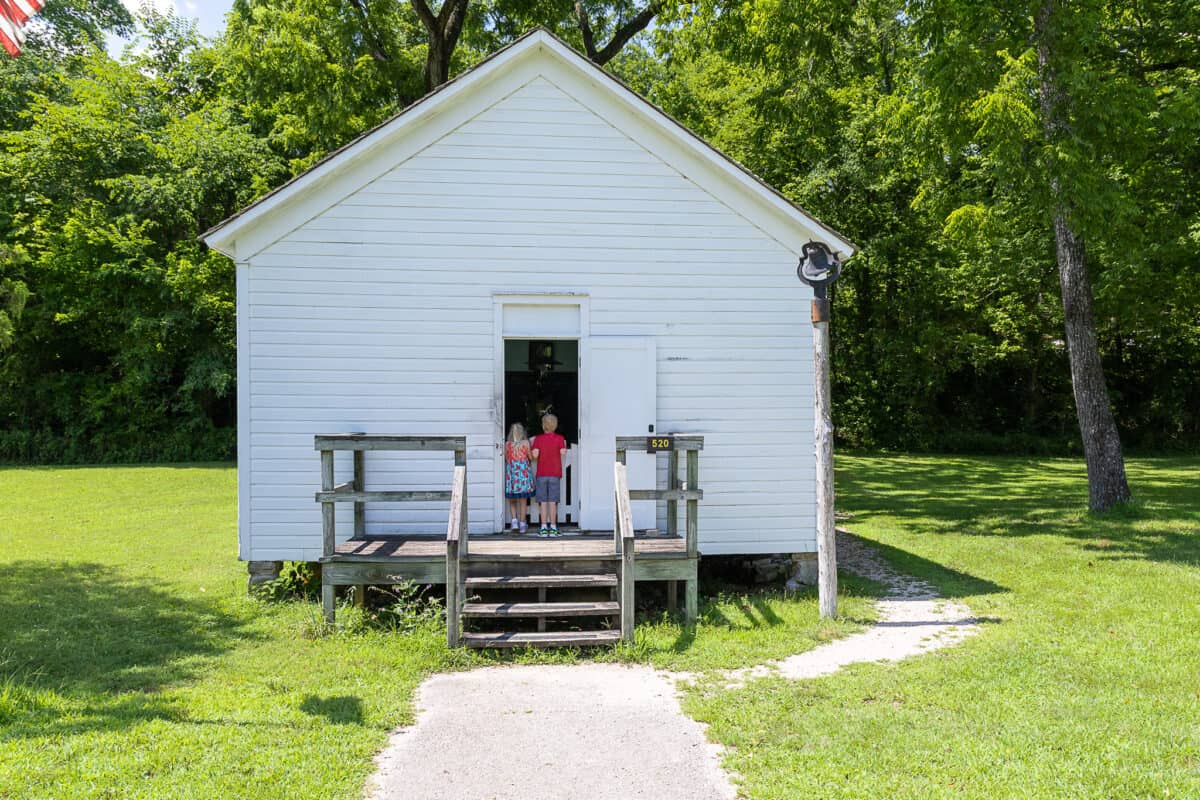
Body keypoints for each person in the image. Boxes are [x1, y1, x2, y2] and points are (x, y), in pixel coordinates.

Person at [530, 413, 568, 537]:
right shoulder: (560, 438)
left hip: (542, 474)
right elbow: (563, 452)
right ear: (555, 425)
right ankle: (553, 527)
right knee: (553, 501)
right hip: (555, 474)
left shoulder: (538, 439)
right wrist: (564, 445)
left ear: (543, 425)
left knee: (543, 502)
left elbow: (535, 455)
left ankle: (543, 527)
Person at [504, 423, 534, 533]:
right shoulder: (526, 443)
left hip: (512, 475)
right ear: (522, 433)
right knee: (523, 501)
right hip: (523, 475)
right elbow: (530, 457)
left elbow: (507, 459)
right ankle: (522, 524)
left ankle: (514, 522)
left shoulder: (507, 444)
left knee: (512, 501)